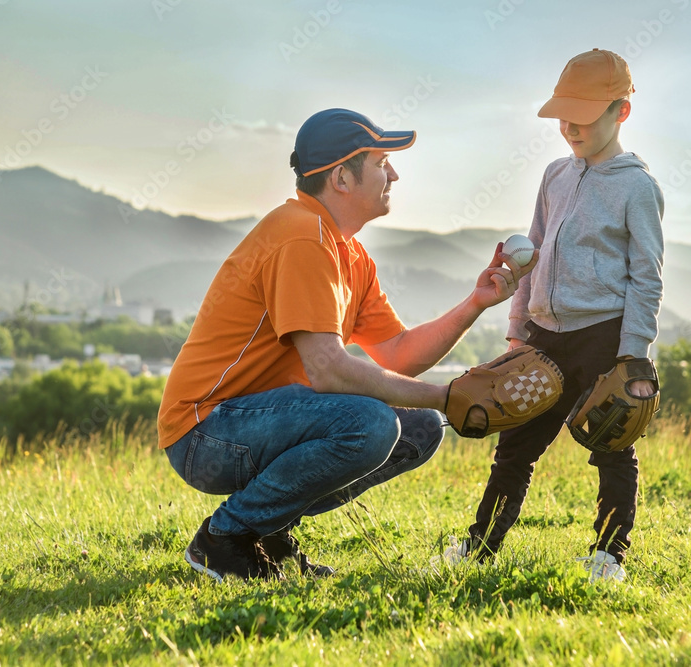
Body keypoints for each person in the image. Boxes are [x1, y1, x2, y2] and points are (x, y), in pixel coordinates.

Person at [158, 108, 536, 582]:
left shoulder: (348, 253)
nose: (393, 173)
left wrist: (477, 303)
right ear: (341, 176)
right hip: (205, 433)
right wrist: (450, 396)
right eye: (381, 162)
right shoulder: (301, 236)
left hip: (257, 424)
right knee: (370, 424)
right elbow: (329, 371)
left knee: (420, 428)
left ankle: (269, 531)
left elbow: (398, 354)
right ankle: (225, 539)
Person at [444, 49, 664, 582]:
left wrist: (633, 357)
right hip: (544, 335)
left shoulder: (637, 187)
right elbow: (533, 254)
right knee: (514, 448)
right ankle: (480, 547)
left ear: (621, 113)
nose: (570, 126)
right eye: (565, 114)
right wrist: (519, 331)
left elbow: (647, 277)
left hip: (603, 338)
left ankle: (609, 556)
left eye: (585, 115)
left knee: (611, 445)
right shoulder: (554, 176)